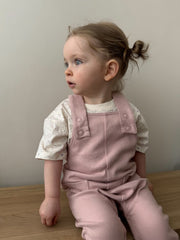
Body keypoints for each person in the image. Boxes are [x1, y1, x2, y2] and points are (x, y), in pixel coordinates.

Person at [35, 22, 179, 240]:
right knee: (105, 232)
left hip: (128, 184)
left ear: (109, 69)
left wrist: (142, 178)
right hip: (86, 189)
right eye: (66, 62)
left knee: (156, 229)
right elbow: (52, 156)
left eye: (78, 61)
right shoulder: (64, 115)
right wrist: (52, 198)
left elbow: (139, 147)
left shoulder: (130, 112)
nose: (68, 69)